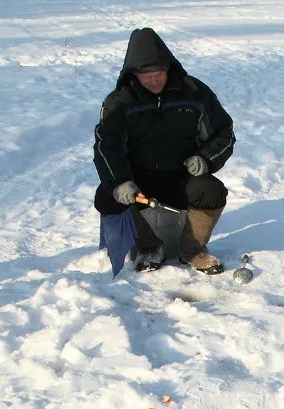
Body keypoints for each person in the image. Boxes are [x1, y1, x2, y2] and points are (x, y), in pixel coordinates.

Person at [93, 28, 235, 273]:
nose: (154, 81)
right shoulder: (119, 102)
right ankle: (148, 248)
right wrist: (121, 182)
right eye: (146, 76)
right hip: (139, 184)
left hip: (181, 178)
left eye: (159, 73)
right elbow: (107, 147)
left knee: (212, 190)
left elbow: (225, 133)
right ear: (134, 73)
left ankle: (192, 250)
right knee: (107, 195)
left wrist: (205, 159)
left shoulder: (195, 93)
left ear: (169, 68)